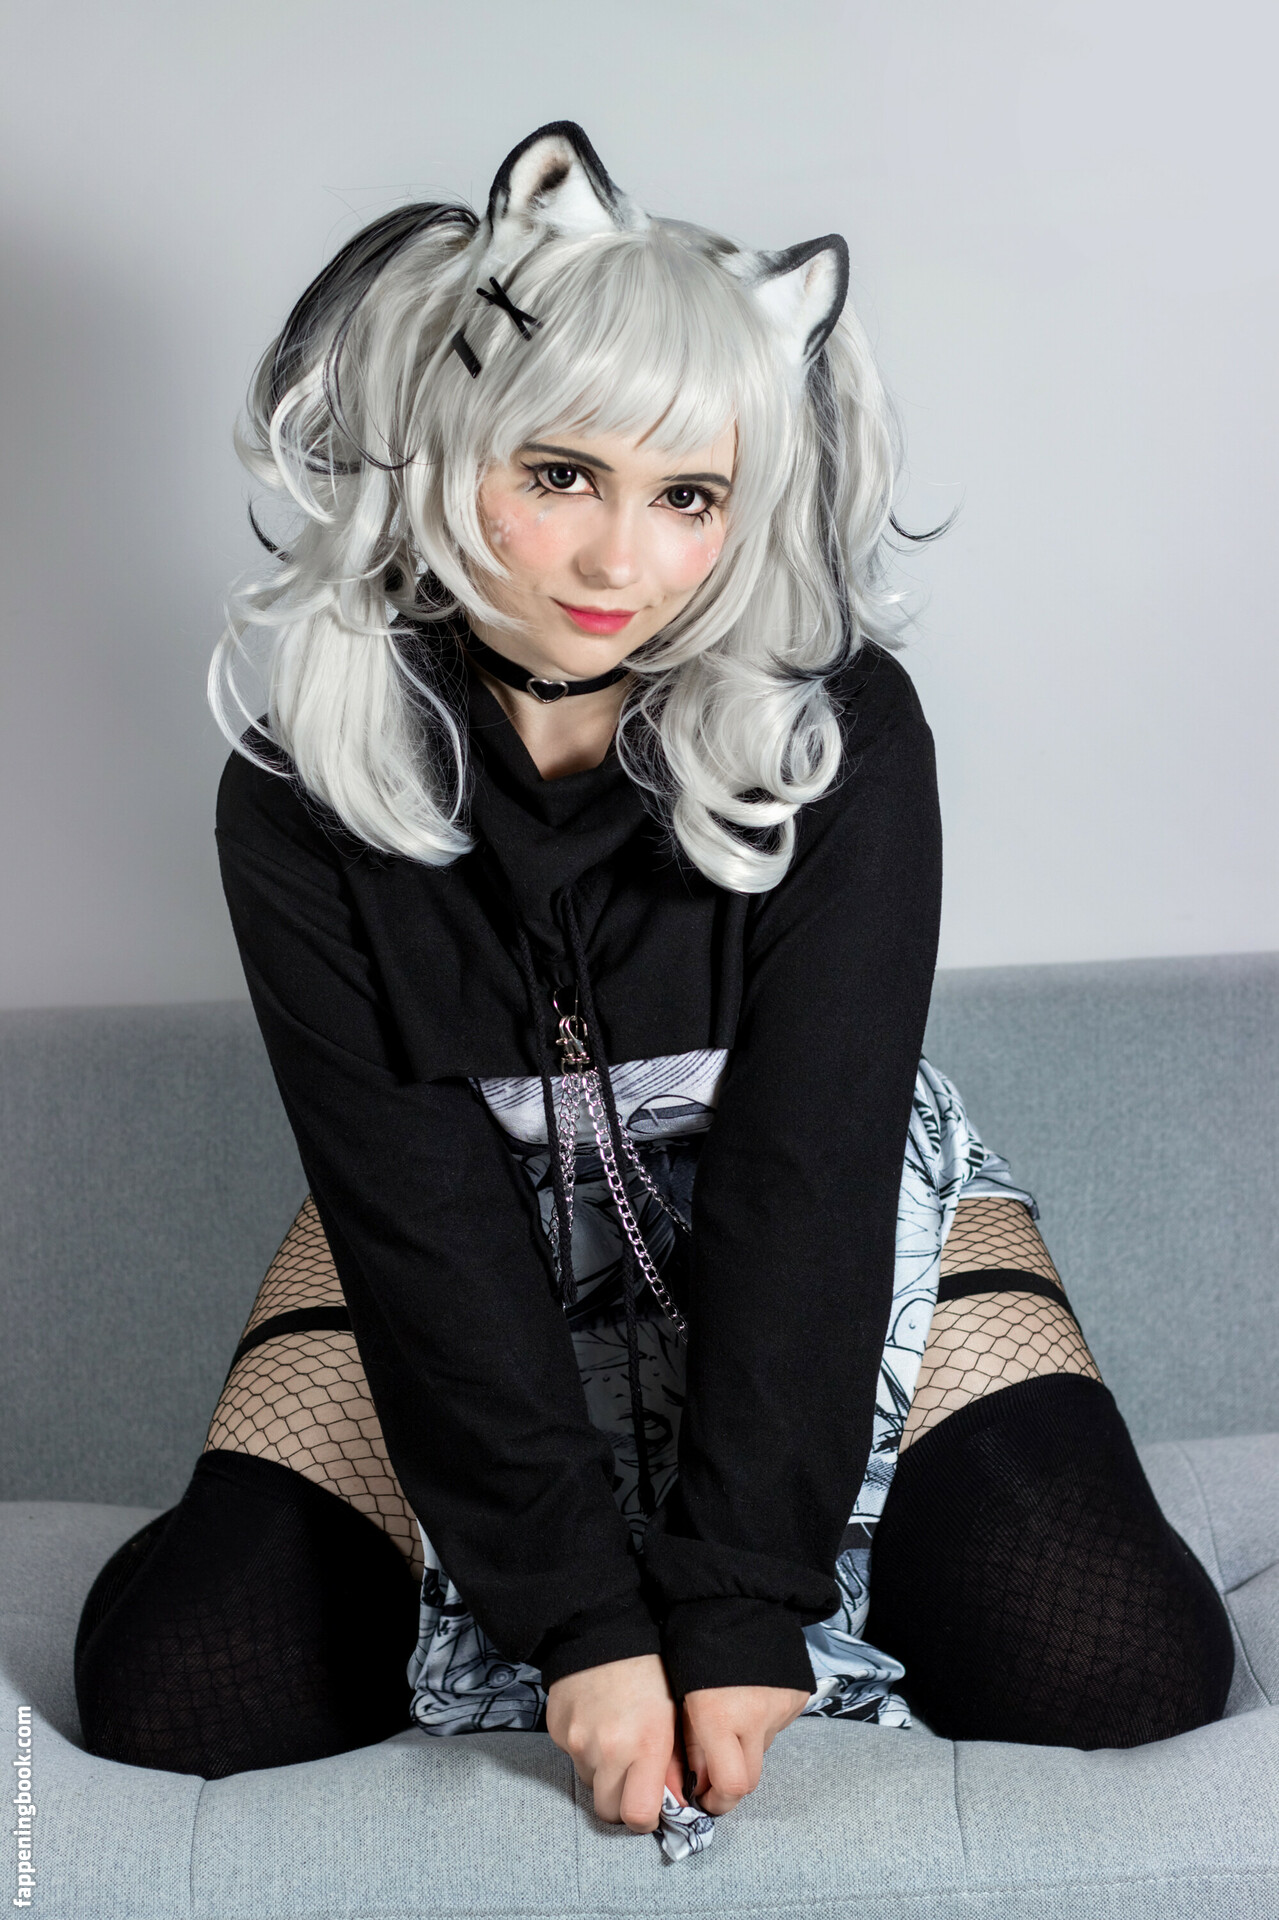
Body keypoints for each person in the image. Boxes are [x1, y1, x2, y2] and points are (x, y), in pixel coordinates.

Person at [73, 122, 1233, 1852]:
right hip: (458, 1226)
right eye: (561, 475)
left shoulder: (843, 735)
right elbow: (414, 1204)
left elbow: (809, 1172)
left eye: (688, 496)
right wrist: (582, 1630)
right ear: (450, 443)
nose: (619, 562)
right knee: (188, 1691)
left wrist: (741, 1605)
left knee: (1112, 1656)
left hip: (811, 1213)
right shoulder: (297, 790)